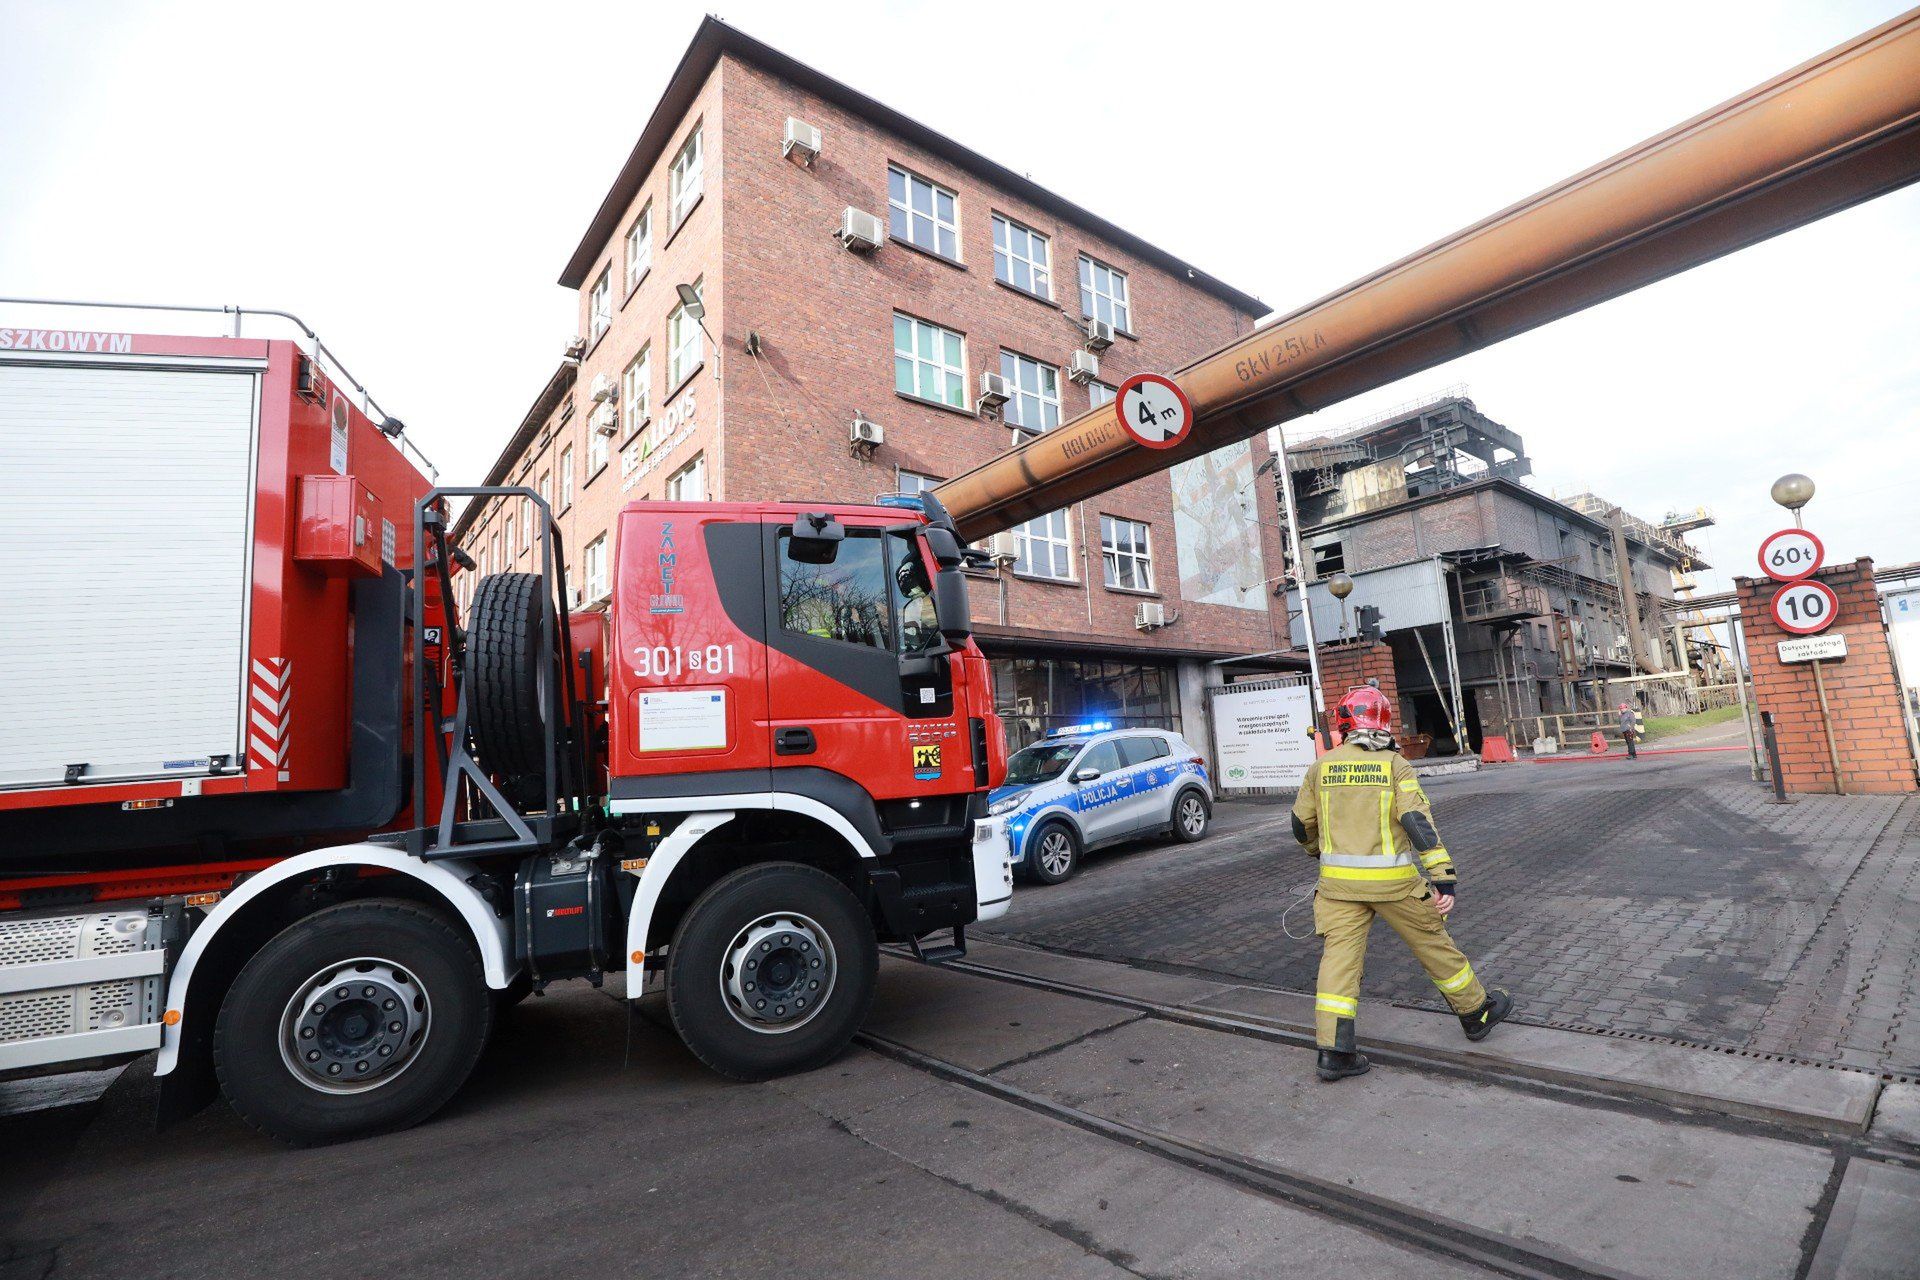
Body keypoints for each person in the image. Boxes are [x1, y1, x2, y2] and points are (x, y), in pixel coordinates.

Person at [1291, 686, 1511, 1081]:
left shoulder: (1320, 767)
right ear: (1384, 723)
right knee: (1433, 944)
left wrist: (1318, 853)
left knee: (1338, 964)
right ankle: (1475, 1012)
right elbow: (1417, 825)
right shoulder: (1395, 766)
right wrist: (1443, 877)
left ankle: (1334, 1053)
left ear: (1343, 723)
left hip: (1337, 888)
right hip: (1395, 886)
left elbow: (1300, 825)